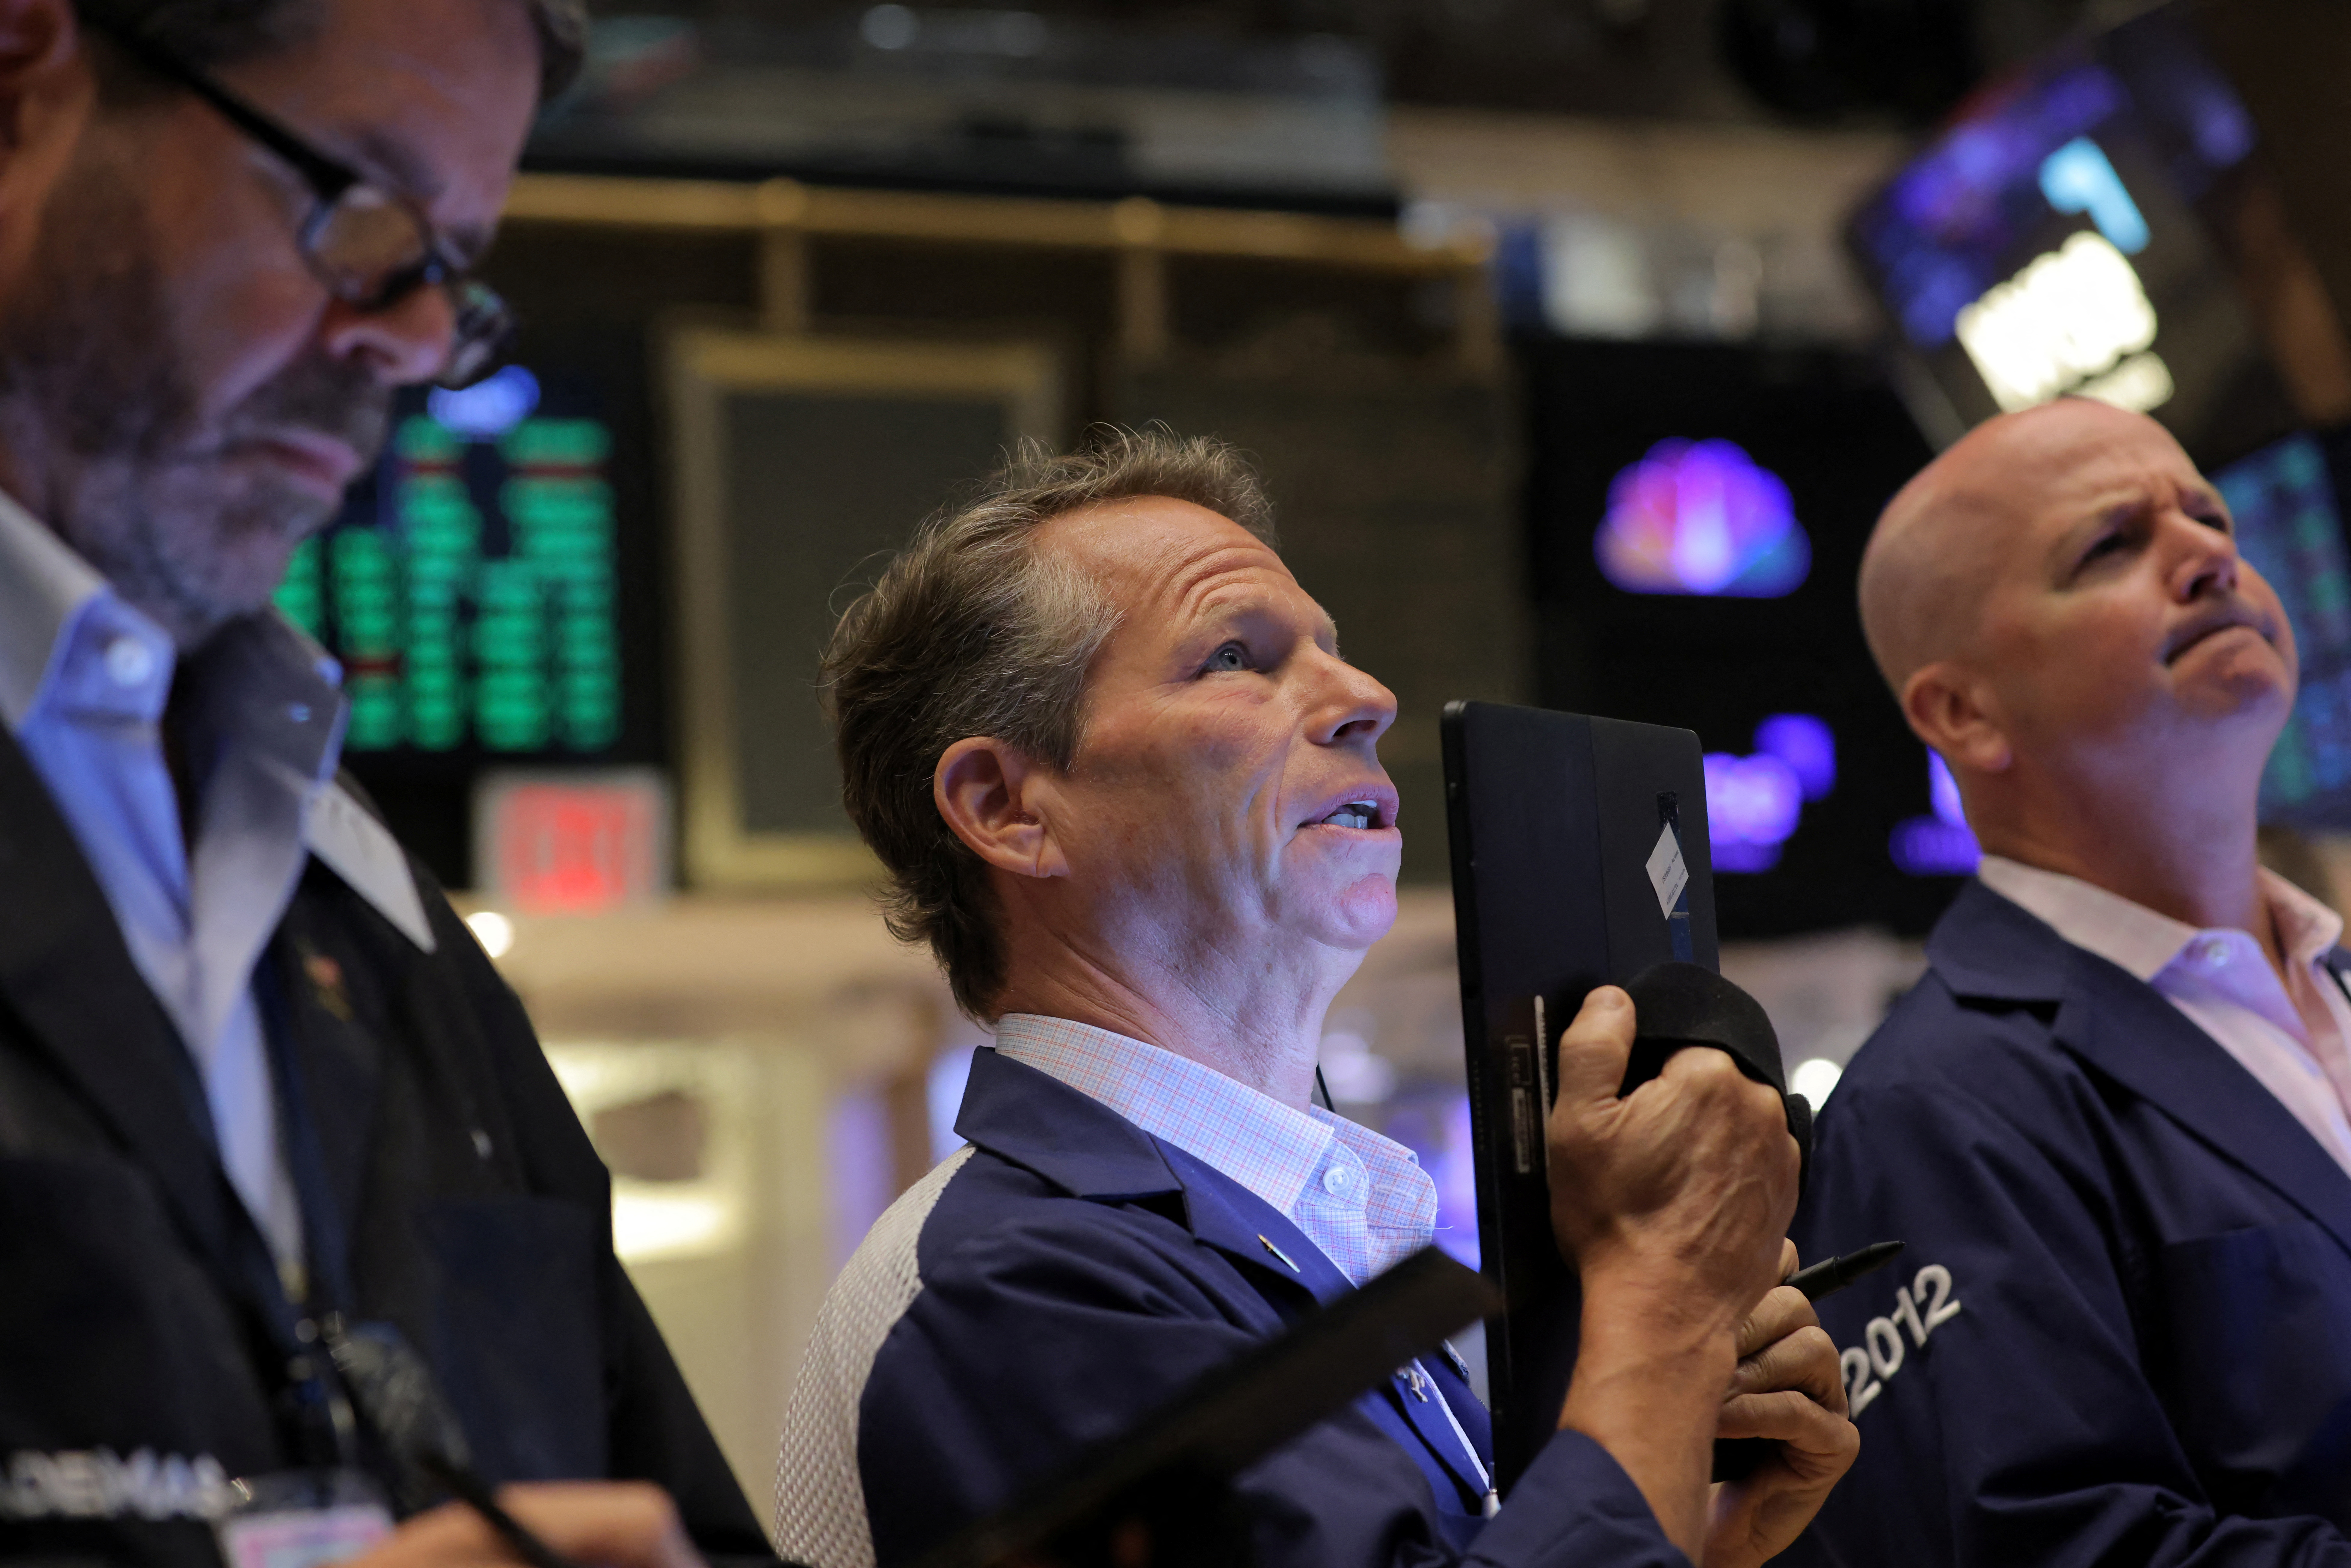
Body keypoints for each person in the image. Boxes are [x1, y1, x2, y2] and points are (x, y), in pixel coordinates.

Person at [774, 430, 1857, 1568]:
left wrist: (1688, 1535)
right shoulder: (1014, 1283)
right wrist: (1662, 1303)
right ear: (1007, 807)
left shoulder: (1277, 1240)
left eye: (1333, 652)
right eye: (1232, 658)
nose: (1368, 698)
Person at [0, 1, 770, 1565]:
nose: (415, 341)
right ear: (26, 83)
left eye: (450, 268)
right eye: (359, 213)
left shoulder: (367, 903)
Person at [1781, 397, 2351, 1564]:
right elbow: (2054, 1546)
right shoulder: (1936, 1107)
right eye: (2110, 545)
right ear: (1962, 710)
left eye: (2207, 516)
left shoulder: (2331, 978)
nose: (2207, 555)